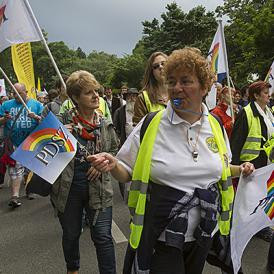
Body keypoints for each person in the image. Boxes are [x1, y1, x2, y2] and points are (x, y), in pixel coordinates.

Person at [88, 48, 255, 274]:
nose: (177, 88)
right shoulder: (152, 124)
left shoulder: (214, 125)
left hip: (204, 235)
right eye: (172, 81)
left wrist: (242, 169)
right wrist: (113, 164)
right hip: (163, 237)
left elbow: (221, 169)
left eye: (186, 81)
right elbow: (127, 170)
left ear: (204, 87)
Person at [50, 70, 118, 274]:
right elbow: (42, 154)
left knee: (103, 237)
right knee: (71, 235)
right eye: (89, 93)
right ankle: (73, 268)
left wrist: (102, 163)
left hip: (100, 189)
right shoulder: (60, 122)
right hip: (68, 188)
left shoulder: (104, 123)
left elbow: (114, 150)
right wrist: (58, 137)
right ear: (75, 98)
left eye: (96, 91)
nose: (96, 96)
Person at [230, 80, 274, 242]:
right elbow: (236, 143)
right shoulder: (246, 113)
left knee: (262, 198)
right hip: (250, 164)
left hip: (266, 164)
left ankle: (258, 228)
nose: (268, 95)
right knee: (249, 200)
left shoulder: (268, 112)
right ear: (255, 95)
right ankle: (245, 230)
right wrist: (233, 168)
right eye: (265, 92)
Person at [0, 83, 43, 207]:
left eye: (19, 93)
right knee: (15, 169)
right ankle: (15, 196)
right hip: (13, 142)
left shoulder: (36, 104)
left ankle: (30, 189)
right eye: (14, 93)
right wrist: (4, 119)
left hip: (31, 142)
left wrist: (36, 117)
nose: (16, 96)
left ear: (26, 92)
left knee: (29, 169)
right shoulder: (6, 105)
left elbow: (44, 121)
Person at [133, 51, 168, 125]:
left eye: (163, 63)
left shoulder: (180, 92)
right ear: (152, 72)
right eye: (156, 66)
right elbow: (138, 130)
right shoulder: (143, 98)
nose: (160, 67)